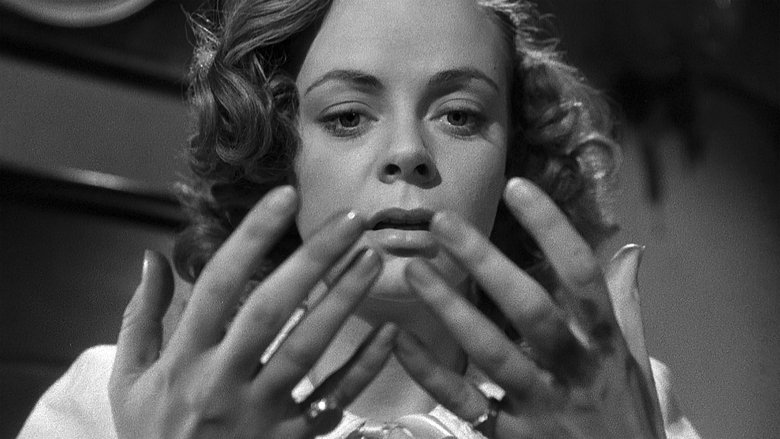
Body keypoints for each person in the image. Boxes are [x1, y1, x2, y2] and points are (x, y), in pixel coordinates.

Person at [19, 0, 701, 438]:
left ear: (512, 156)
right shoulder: (122, 405)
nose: (407, 151)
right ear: (277, 147)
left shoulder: (615, 410)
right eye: (348, 116)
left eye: (460, 115)